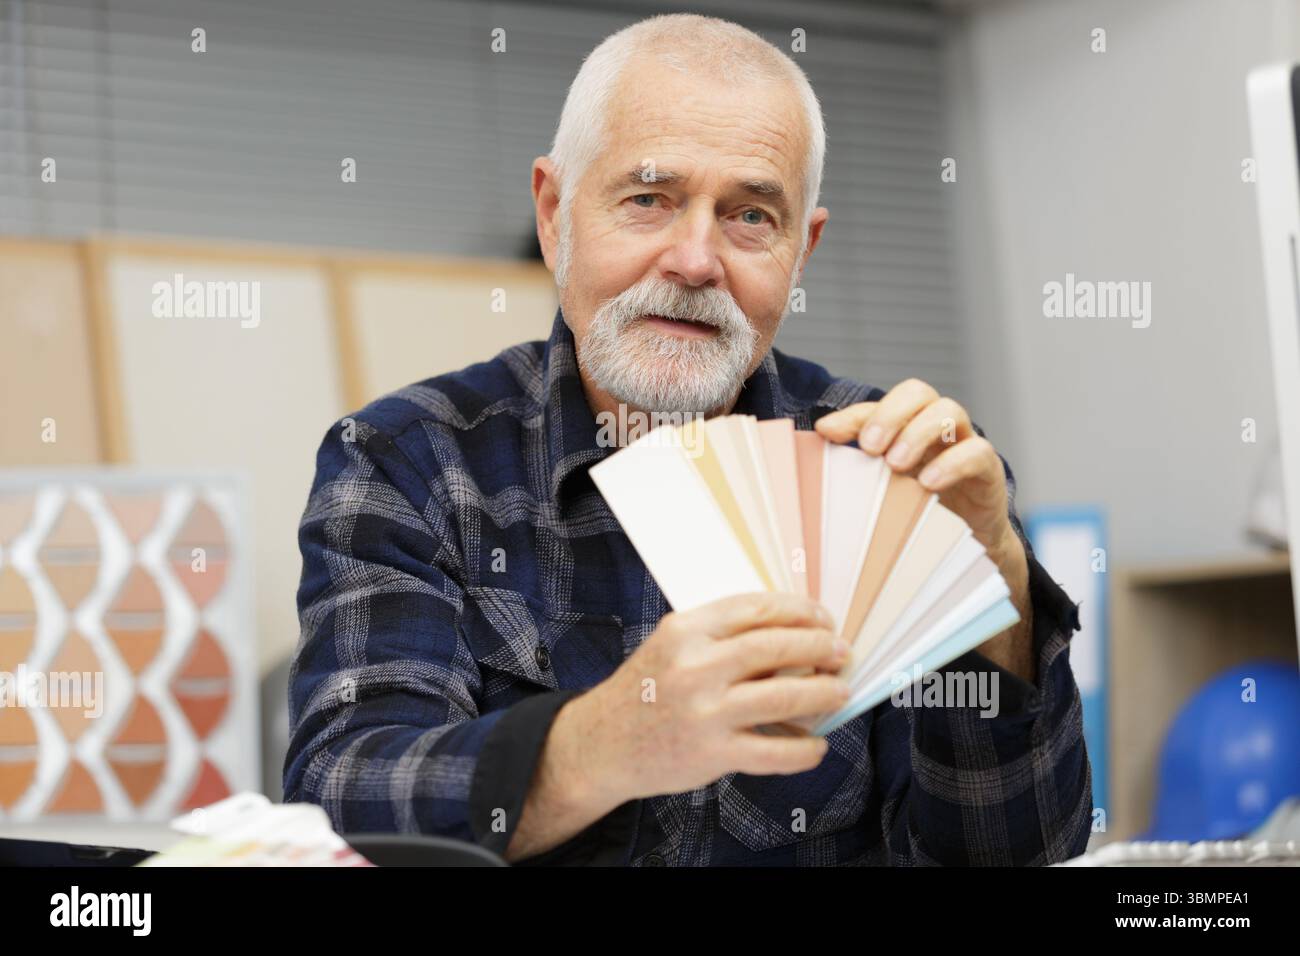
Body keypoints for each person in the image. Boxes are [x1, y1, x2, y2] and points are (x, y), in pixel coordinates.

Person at [284, 13, 1091, 865]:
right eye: (647, 199)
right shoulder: (409, 460)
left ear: (802, 251)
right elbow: (344, 807)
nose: (697, 261)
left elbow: (1022, 854)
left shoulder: (896, 470)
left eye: (751, 216)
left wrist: (995, 588)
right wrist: (606, 740)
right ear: (554, 214)